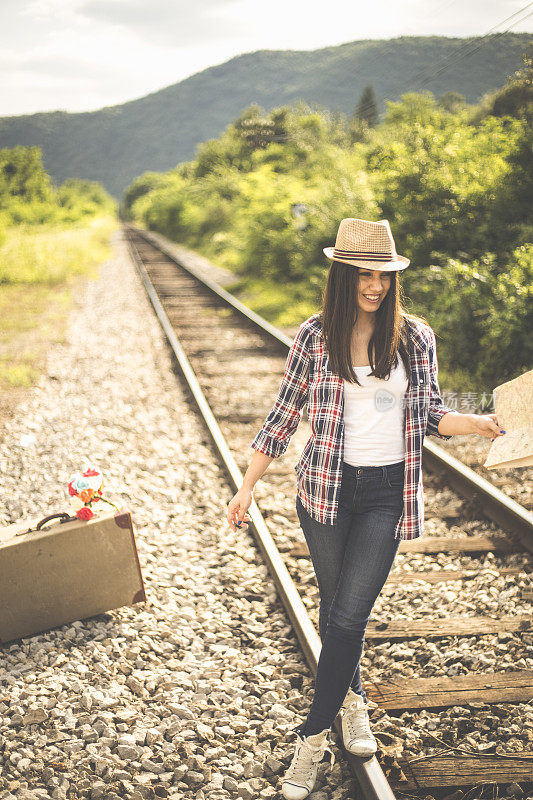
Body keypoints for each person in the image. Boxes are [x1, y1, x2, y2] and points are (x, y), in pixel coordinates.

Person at [226, 218, 505, 800]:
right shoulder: (313, 337)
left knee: (349, 616)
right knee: (336, 611)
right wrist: (246, 487)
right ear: (343, 276)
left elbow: (429, 413)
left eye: (383, 276)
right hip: (325, 491)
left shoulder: (415, 337)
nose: (374, 287)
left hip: (385, 493)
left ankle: (310, 741)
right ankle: (353, 706)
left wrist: (476, 424)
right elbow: (282, 417)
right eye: (363, 276)